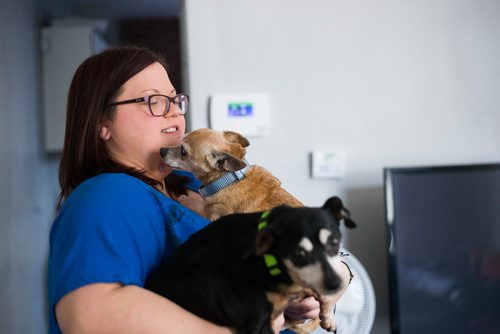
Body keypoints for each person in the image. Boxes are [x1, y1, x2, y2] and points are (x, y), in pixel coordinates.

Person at [48, 46, 350, 333]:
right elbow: (90, 315)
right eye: (153, 100)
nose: (174, 113)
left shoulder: (197, 185)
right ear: (103, 121)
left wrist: (332, 278)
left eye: (175, 100)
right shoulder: (105, 198)